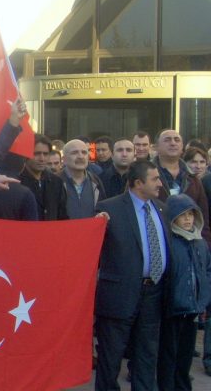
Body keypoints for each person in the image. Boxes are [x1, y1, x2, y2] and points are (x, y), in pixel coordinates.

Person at [95, 160, 169, 391]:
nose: (160, 183)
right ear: (138, 183)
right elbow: (93, 249)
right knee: (111, 357)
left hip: (153, 293)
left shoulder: (161, 208)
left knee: (147, 355)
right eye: (155, 179)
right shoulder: (109, 208)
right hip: (120, 294)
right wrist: (97, 226)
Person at [157, 194, 211, 390]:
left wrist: (204, 297)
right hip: (173, 309)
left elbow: (206, 270)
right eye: (183, 215)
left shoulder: (200, 243)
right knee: (169, 355)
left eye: (191, 214)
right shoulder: (168, 242)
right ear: (173, 218)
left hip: (193, 309)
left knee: (185, 356)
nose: (188, 219)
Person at [152, 129, 211, 246]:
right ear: (156, 147)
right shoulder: (145, 175)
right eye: (167, 140)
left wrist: (206, 247)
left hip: (189, 244)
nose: (173, 143)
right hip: (157, 243)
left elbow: (203, 218)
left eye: (177, 140)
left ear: (182, 146)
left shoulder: (193, 179)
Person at [19, 135, 68, 220]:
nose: (42, 158)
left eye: (45, 154)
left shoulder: (57, 182)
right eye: (36, 154)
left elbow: (62, 216)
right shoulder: (17, 182)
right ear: (26, 154)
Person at [58, 139, 106, 219]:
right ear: (64, 159)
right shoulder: (54, 182)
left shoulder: (95, 181)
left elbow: (103, 209)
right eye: (74, 153)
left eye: (84, 152)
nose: (80, 156)